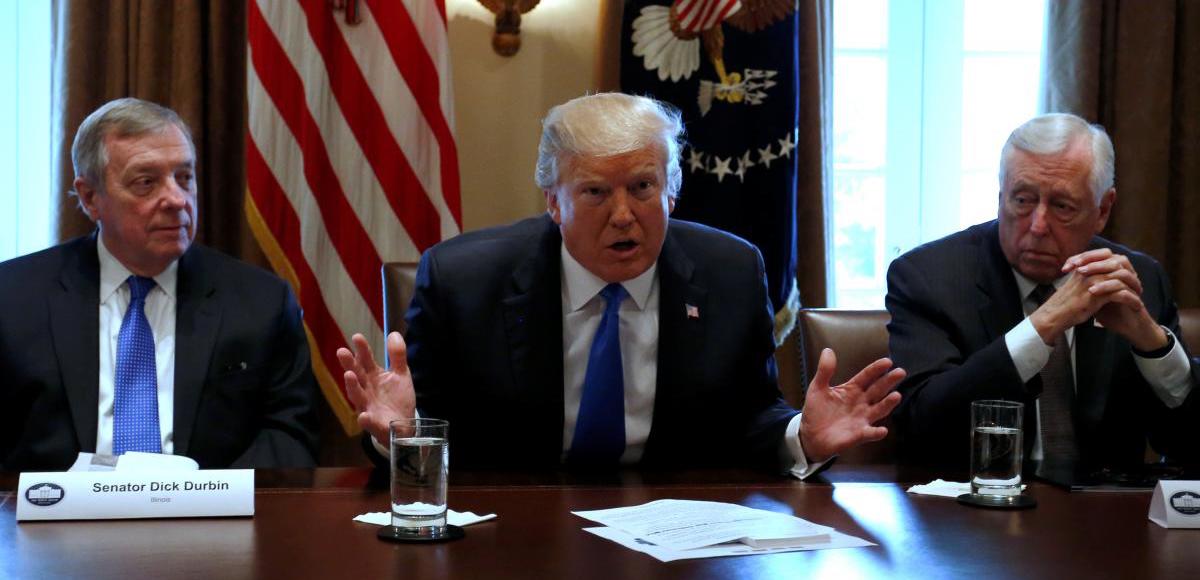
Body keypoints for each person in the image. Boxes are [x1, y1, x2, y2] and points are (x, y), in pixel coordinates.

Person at [338, 92, 904, 475]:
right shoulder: (463, 279)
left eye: (641, 186)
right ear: (552, 202)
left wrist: (801, 437)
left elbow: (749, 415)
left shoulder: (730, 271)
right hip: (512, 525)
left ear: (672, 191)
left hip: (676, 533)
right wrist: (398, 435)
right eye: (594, 192)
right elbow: (424, 425)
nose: (624, 214)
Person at [0, 98, 319, 471]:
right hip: (54, 520)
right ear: (90, 198)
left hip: (207, 520)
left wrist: (209, 503)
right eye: (146, 183)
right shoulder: (13, 299)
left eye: (184, 177)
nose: (176, 199)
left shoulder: (260, 302)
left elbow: (291, 436)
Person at [886, 113, 1199, 470]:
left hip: (1105, 516)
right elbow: (922, 428)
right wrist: (1043, 325)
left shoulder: (1137, 278)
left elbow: (1187, 444)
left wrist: (1153, 346)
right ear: (1001, 195)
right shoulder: (929, 278)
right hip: (975, 510)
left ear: (1103, 210)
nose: (1037, 226)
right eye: (1022, 200)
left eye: (1062, 207)